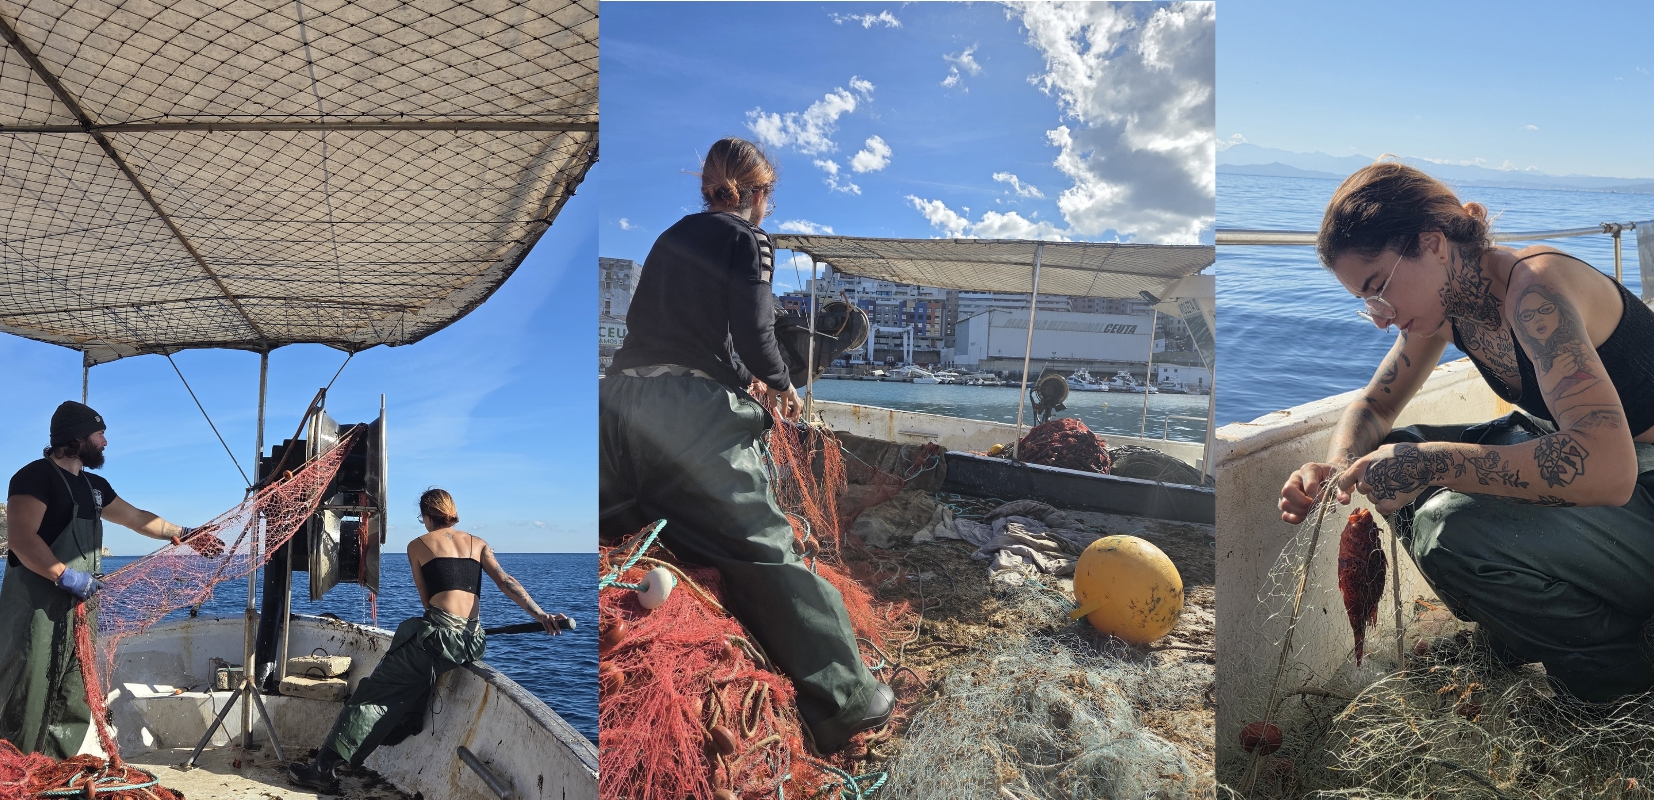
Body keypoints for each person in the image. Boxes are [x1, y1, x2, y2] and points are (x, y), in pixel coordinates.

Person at [1278, 161, 1654, 701]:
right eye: (1365, 302)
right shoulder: (1453, 304)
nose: (1380, 316)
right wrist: (1337, 468)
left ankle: (1616, 683)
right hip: (1618, 483)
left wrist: (1435, 463)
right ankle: (1523, 625)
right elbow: (1377, 405)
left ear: (1432, 243)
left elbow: (1609, 469)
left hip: (1641, 483)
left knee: (1449, 525)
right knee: (1387, 459)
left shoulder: (1536, 291)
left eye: (1377, 288)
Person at [599, 137, 894, 754]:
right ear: (758, 195)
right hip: (689, 413)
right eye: (769, 197)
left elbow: (648, 327)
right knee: (763, 551)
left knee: (635, 528)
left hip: (618, 404)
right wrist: (784, 385)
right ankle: (850, 704)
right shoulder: (749, 239)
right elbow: (756, 335)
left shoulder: (670, 237)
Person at [289, 488, 567, 793]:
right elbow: (505, 581)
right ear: (451, 511)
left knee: (372, 693)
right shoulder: (478, 543)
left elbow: (427, 604)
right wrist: (541, 614)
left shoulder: (417, 546)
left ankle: (322, 769)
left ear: (425, 516)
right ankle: (407, 719)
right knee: (413, 659)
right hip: (472, 641)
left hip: (439, 640)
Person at [0, 401, 210, 757]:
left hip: (81, 607)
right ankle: (16, 772)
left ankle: (57, 770)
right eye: (100, 434)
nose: (106, 443)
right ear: (77, 437)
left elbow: (136, 518)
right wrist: (64, 576)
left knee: (73, 689)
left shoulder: (94, 485)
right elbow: (21, 538)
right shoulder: (34, 477)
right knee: (29, 688)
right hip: (36, 609)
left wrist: (184, 533)